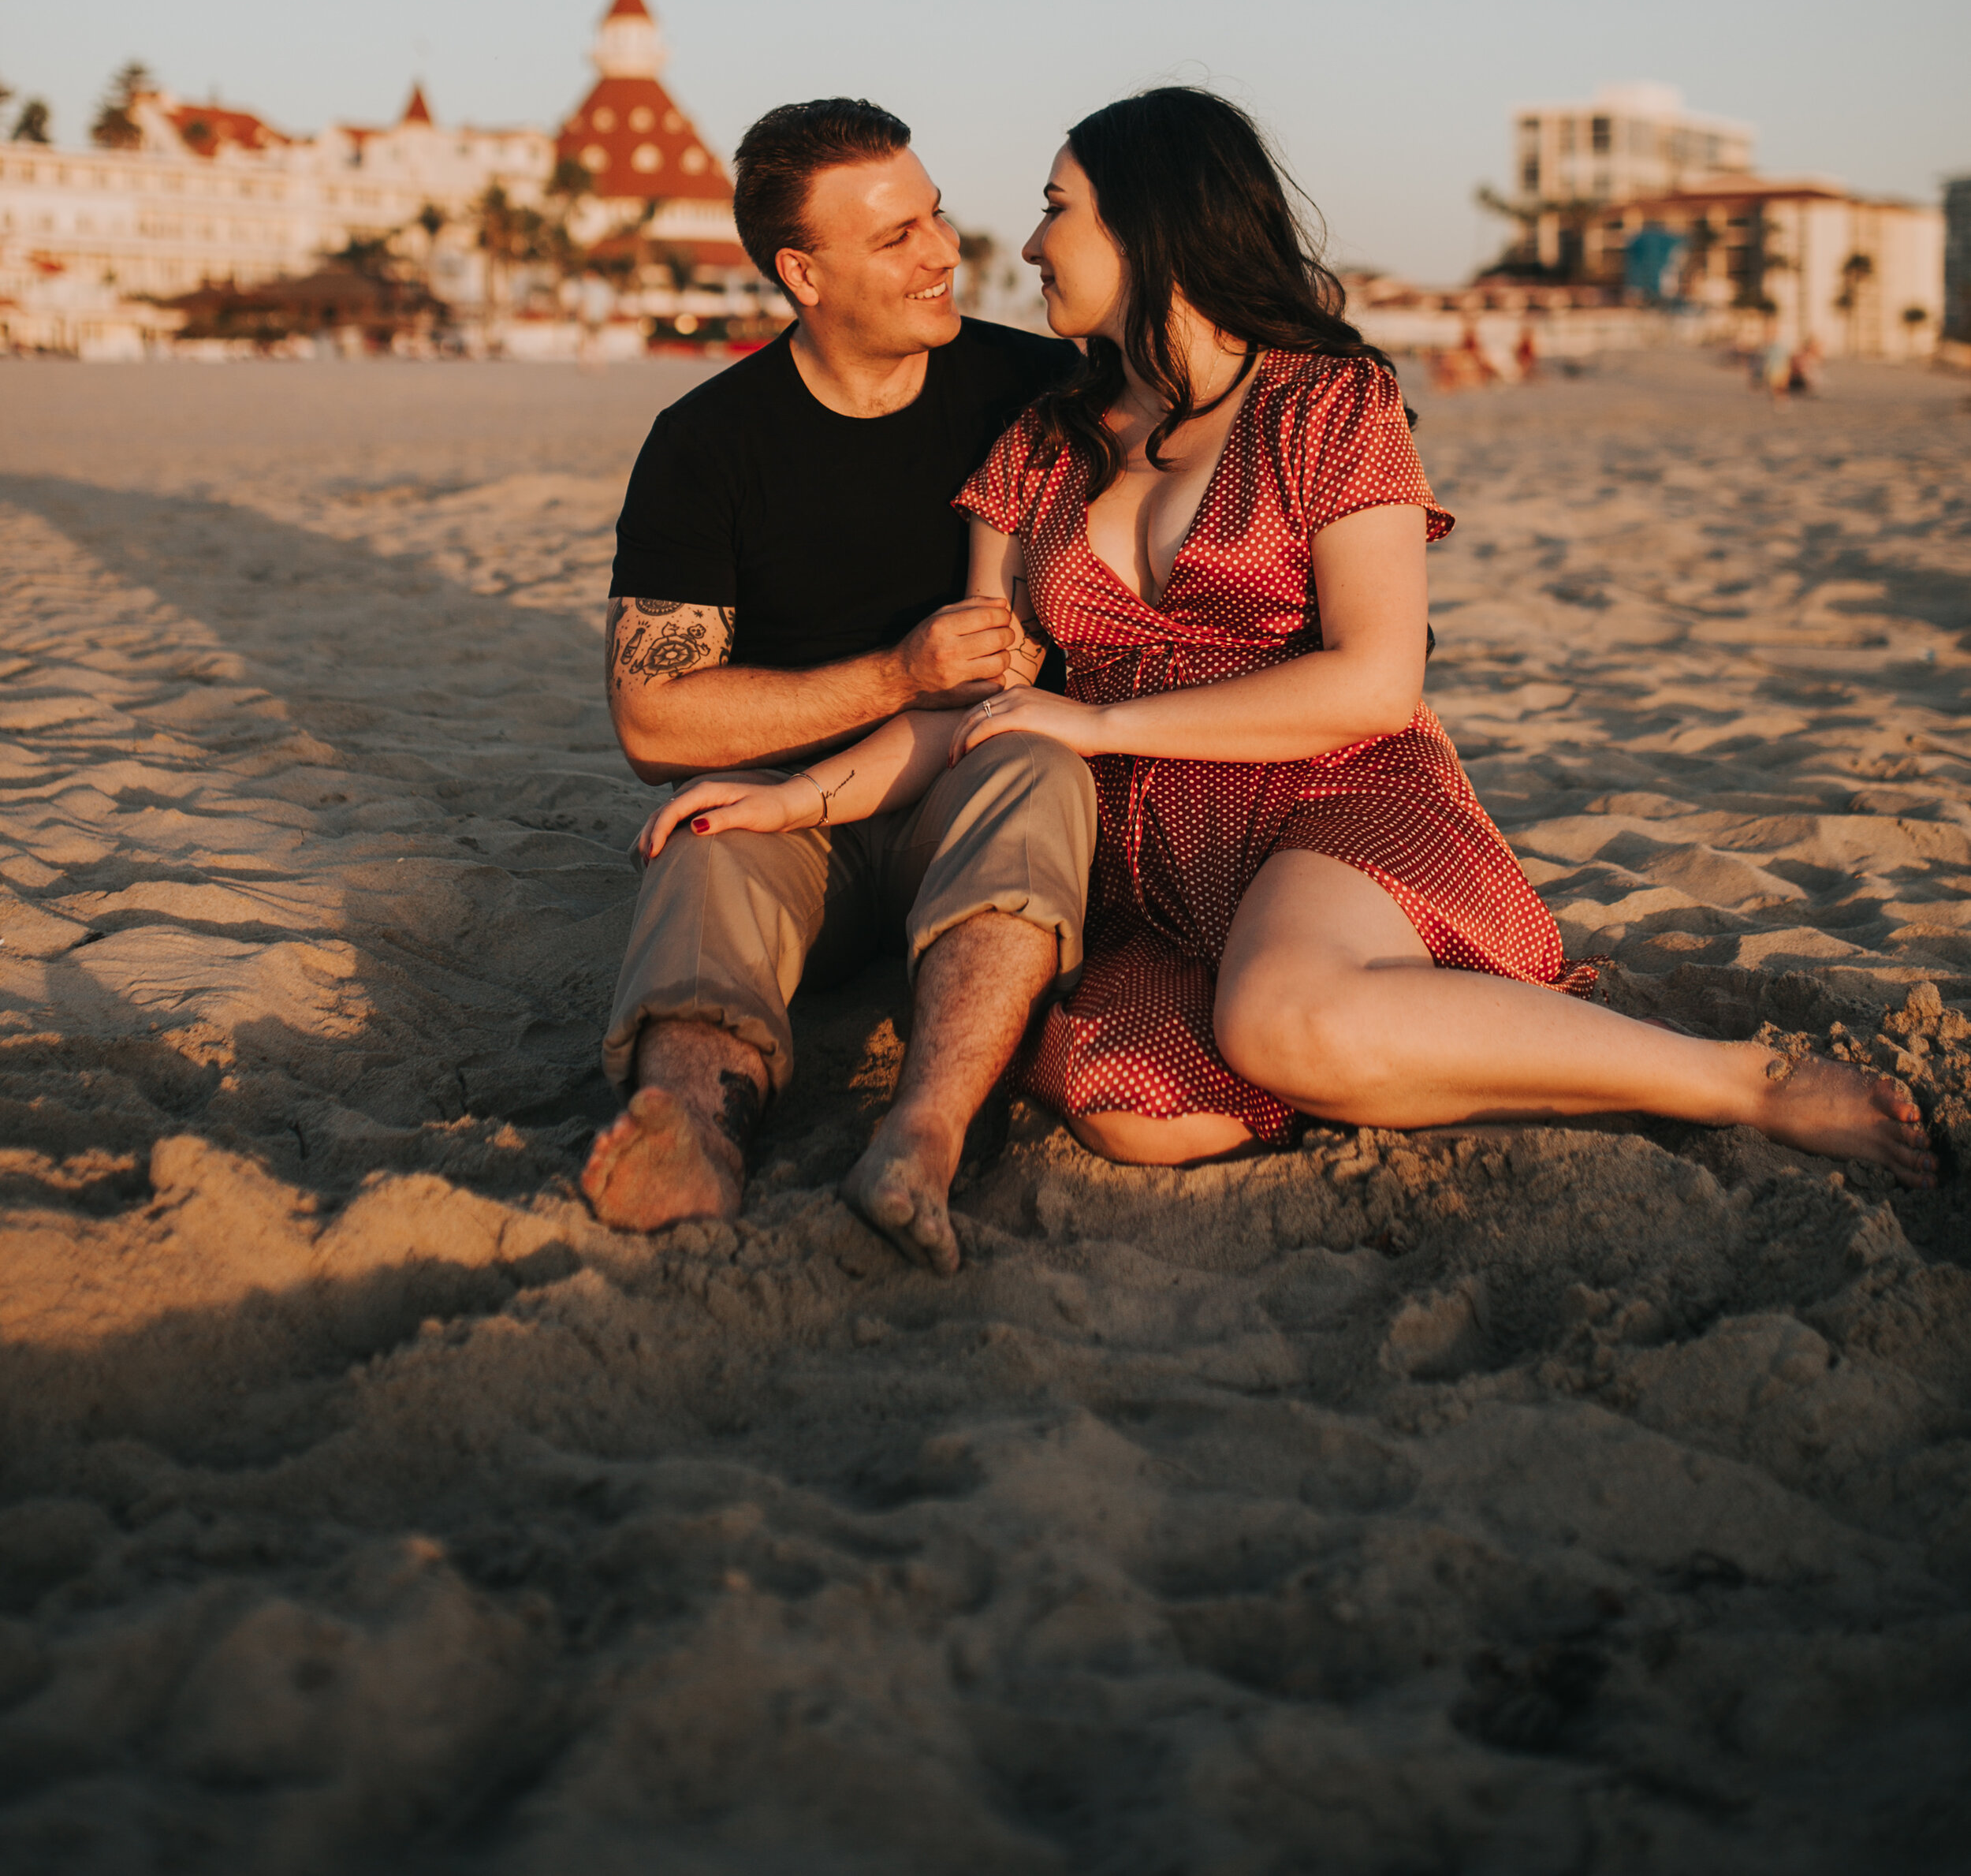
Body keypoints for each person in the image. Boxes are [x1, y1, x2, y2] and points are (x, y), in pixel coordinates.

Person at [645, 89, 1935, 1195]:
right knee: (1135, 1112)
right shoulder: (1037, 445)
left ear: (1150, 227)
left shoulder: (1328, 401)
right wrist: (786, 799)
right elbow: (966, 704)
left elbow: (1375, 680)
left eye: (1057, 207)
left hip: (1332, 794)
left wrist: (1096, 723)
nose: (1024, 240)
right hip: (1157, 860)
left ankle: (1736, 1083)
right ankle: (1408, 1044)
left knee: (1274, 1017)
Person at [579, 98, 1090, 1266]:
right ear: (803, 272)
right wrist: (896, 669)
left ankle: (924, 1131)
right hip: (786, 815)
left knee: (1036, 768)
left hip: (961, 789)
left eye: (936, 216)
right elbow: (655, 715)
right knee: (698, 836)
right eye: (896, 236)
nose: (941, 252)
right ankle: (696, 1133)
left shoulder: (1032, 390)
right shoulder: (707, 443)